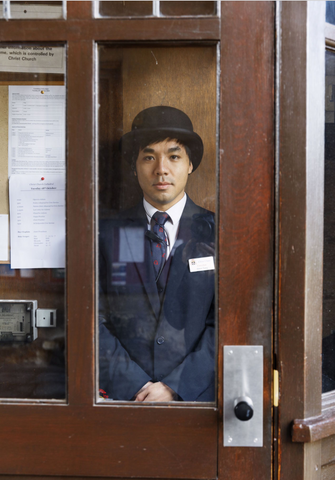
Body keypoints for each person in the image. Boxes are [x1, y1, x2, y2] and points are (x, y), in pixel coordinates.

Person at [99, 106, 215, 402]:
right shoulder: (104, 234)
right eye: (149, 157)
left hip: (198, 401)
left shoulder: (220, 233)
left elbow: (229, 324)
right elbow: (91, 322)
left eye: (174, 156)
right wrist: (136, 386)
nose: (161, 169)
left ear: (190, 164)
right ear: (135, 165)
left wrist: (175, 387)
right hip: (121, 401)